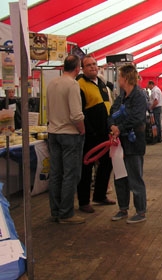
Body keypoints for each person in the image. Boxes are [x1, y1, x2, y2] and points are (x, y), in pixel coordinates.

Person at [46, 54, 86, 224]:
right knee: (70, 174)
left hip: (52, 132)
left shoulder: (52, 83)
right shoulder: (72, 84)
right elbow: (76, 114)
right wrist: (82, 131)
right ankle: (66, 213)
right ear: (77, 68)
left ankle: (55, 211)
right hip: (69, 134)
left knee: (56, 173)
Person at [108, 64, 148, 224]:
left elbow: (137, 117)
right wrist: (112, 126)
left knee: (135, 177)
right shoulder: (121, 96)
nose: (118, 80)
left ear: (125, 78)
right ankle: (123, 208)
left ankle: (140, 211)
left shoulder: (139, 96)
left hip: (134, 141)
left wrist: (119, 127)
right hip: (119, 142)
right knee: (120, 176)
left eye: (119, 77)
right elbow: (111, 112)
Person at [77, 55, 115, 213]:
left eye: (94, 64)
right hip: (90, 134)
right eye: (88, 65)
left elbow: (108, 105)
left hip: (105, 132)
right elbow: (79, 111)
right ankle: (84, 201)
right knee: (86, 167)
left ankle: (99, 195)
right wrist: (89, 131)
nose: (92, 67)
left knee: (107, 163)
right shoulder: (79, 84)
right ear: (82, 68)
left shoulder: (101, 83)